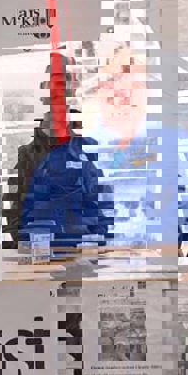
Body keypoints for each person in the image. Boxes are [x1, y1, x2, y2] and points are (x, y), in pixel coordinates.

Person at [80, 44, 188, 249]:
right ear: (99, 90)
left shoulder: (178, 145)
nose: (123, 92)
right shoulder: (78, 152)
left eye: (134, 83)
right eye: (113, 81)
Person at [16, 53, 113, 250]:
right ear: (44, 87)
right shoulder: (28, 154)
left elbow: (102, 206)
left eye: (65, 79)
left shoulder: (89, 147)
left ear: (73, 88)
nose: (58, 86)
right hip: (42, 254)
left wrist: (96, 245)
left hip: (82, 252)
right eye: (53, 79)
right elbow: (18, 213)